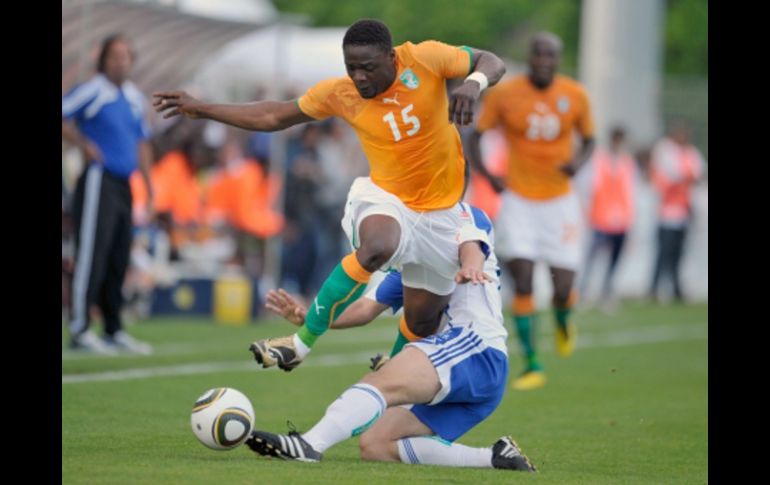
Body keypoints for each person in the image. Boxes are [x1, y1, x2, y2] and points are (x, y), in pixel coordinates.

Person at [154, 19, 506, 370]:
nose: (359, 77)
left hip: (441, 214)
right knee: (377, 246)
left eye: (367, 68)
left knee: (422, 322)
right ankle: (299, 344)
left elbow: (491, 61)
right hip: (385, 199)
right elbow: (273, 114)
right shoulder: (340, 93)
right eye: (351, 68)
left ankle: (396, 385)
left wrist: (473, 84)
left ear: (391, 57)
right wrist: (202, 108)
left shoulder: (425, 58)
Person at [248, 205, 536, 472]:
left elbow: (471, 247)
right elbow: (365, 308)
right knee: (376, 445)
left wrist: (470, 266)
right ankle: (495, 456)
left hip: (475, 347)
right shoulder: (417, 251)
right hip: (473, 371)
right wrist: (312, 317)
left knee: (379, 383)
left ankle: (309, 444)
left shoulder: (464, 214)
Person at [467, 32, 595, 390]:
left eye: (550, 55)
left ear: (559, 59)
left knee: (562, 284)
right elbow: (476, 136)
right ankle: (532, 363)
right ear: (531, 56)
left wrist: (577, 164)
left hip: (560, 202)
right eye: (537, 54)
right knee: (523, 278)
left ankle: (563, 317)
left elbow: (590, 139)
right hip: (520, 200)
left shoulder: (575, 95)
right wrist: (490, 176)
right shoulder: (506, 95)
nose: (543, 61)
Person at [62, 33, 154, 354]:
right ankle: (80, 327)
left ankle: (113, 328)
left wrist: (149, 188)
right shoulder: (93, 90)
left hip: (123, 185)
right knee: (91, 255)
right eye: (115, 56)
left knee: (119, 256)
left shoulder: (132, 97)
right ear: (103, 60)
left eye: (126, 56)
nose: (121, 62)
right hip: (98, 180)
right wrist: (83, 145)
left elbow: (142, 142)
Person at [577, 126, 637, 310]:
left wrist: (630, 217)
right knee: (592, 258)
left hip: (621, 220)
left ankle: (606, 292)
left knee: (614, 260)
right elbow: (588, 185)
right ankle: (583, 292)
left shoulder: (627, 162)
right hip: (601, 218)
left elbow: (631, 191)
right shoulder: (598, 160)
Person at [648, 120, 705, 302]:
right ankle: (655, 288)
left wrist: (686, 177)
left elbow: (698, 172)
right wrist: (686, 177)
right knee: (664, 252)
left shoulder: (690, 153)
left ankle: (676, 288)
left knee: (678, 254)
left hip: (683, 211)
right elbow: (674, 175)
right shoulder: (666, 150)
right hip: (666, 211)